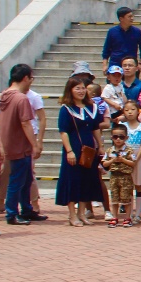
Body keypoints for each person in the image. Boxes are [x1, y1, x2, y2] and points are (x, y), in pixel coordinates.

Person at [55, 76, 105, 229]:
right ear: (70, 90)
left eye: (83, 88)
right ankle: (72, 214)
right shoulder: (66, 109)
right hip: (74, 148)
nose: (81, 91)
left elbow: (95, 128)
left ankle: (82, 213)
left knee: (86, 180)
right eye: (77, 88)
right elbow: (63, 131)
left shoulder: (91, 107)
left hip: (89, 150)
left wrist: (100, 146)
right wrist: (69, 151)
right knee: (72, 180)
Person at [0, 64, 43, 226]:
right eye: (30, 78)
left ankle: (26, 209)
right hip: (20, 145)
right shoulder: (21, 98)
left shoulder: (5, 95)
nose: (31, 81)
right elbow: (26, 123)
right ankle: (12, 213)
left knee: (26, 178)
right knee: (17, 181)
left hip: (10, 142)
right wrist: (35, 144)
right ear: (25, 78)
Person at [102, 124, 136, 227]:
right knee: (114, 198)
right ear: (111, 137)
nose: (118, 139)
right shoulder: (109, 150)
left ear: (126, 138)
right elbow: (104, 163)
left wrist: (123, 160)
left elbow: (133, 163)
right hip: (114, 177)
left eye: (121, 137)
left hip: (125, 177)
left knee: (126, 199)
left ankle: (127, 218)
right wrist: (112, 160)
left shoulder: (129, 150)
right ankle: (114, 217)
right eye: (115, 137)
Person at [102, 7, 141, 74]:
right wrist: (104, 65)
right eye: (129, 17)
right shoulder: (112, 31)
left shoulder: (137, 32)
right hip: (115, 65)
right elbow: (106, 50)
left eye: (132, 16)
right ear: (121, 19)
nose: (132, 18)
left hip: (131, 65)